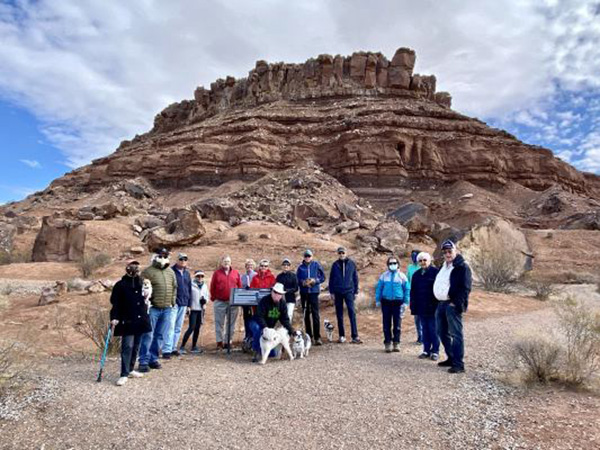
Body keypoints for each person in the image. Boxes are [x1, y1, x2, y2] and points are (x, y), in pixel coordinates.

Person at [110, 260, 152, 386]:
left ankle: (131, 369)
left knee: (136, 345)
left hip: (141, 318)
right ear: (127, 269)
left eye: (137, 267)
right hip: (126, 319)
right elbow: (115, 302)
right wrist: (114, 317)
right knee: (127, 346)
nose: (134, 269)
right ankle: (124, 373)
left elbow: (148, 297)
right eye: (132, 267)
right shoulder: (120, 285)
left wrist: (148, 295)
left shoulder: (143, 282)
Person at [433, 240, 472, 374]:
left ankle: (458, 364)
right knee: (441, 332)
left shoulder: (462, 267)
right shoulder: (444, 266)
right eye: (445, 252)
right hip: (441, 304)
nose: (447, 254)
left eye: (450, 251)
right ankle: (451, 357)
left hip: (452, 304)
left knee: (456, 334)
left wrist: (456, 303)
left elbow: (465, 288)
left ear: (455, 251)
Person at [138, 248, 178, 372]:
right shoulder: (147, 272)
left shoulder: (170, 272)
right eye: (161, 255)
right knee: (148, 335)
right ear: (156, 256)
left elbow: (174, 287)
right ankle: (143, 361)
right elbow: (141, 289)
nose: (163, 257)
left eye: (165, 255)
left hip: (166, 308)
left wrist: (172, 302)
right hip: (153, 308)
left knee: (159, 335)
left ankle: (153, 359)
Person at [247, 282, 294, 362]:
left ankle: (256, 345)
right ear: (272, 292)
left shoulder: (282, 304)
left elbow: (285, 319)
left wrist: (291, 331)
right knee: (258, 329)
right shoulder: (264, 300)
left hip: (269, 327)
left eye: (280, 294)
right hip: (256, 322)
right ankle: (257, 351)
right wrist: (265, 327)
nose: (277, 295)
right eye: (275, 292)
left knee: (272, 354)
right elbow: (259, 316)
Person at [375, 256, 410, 353]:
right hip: (386, 302)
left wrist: (406, 302)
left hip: (398, 302)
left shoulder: (402, 276)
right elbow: (379, 288)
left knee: (397, 324)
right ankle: (387, 343)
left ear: (398, 264)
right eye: (390, 263)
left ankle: (396, 343)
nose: (392, 265)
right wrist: (377, 299)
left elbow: (407, 289)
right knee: (386, 324)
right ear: (387, 265)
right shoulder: (383, 276)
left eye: (394, 263)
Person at [409, 252, 440, 360]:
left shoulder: (436, 272)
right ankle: (426, 350)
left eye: (425, 260)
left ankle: (435, 351)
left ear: (429, 260)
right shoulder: (416, 275)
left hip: (433, 307)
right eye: (420, 260)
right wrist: (413, 307)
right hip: (421, 307)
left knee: (433, 329)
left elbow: (439, 290)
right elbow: (413, 292)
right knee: (424, 329)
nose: (423, 262)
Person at [328, 246, 362, 344]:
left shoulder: (351, 264)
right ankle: (341, 336)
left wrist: (356, 291)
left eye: (343, 253)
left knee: (352, 313)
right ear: (338, 254)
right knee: (339, 314)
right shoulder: (335, 265)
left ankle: (355, 336)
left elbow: (355, 278)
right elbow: (331, 279)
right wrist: (331, 292)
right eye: (340, 253)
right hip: (338, 292)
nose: (341, 255)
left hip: (349, 291)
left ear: (346, 253)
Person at [210, 255, 242, 350]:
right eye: (225, 261)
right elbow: (212, 286)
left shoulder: (236, 273)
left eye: (228, 261)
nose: (226, 263)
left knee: (231, 323)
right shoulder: (217, 273)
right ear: (221, 262)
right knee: (219, 323)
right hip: (220, 301)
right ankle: (219, 342)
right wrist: (214, 298)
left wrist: (238, 299)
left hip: (232, 302)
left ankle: (228, 341)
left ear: (231, 262)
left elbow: (239, 286)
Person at [163, 253, 192, 359]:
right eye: (181, 259)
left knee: (178, 328)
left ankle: (174, 348)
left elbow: (189, 289)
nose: (183, 261)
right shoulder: (171, 271)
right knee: (170, 326)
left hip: (184, 303)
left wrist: (189, 304)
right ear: (177, 260)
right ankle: (167, 350)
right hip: (173, 303)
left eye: (185, 259)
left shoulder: (187, 273)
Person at [296, 249, 326, 345]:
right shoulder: (300, 267)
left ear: (312, 256)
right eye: (306, 256)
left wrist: (315, 281)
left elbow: (323, 277)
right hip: (304, 292)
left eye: (309, 256)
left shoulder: (316, 265)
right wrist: (303, 282)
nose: (307, 258)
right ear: (303, 257)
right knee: (306, 314)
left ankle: (317, 337)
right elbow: (297, 279)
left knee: (315, 314)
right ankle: (309, 336)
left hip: (314, 292)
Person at [180, 270, 209, 354]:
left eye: (201, 276)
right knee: (191, 327)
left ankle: (194, 346)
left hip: (201, 309)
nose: (200, 278)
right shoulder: (191, 285)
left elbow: (207, 295)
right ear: (195, 276)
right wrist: (188, 307)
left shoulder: (205, 286)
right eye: (198, 276)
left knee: (197, 328)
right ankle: (182, 346)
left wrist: (205, 301)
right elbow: (188, 296)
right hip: (193, 309)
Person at [406, 249, 423, 344]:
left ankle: (426, 336)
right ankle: (420, 336)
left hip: (423, 294)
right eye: (412, 256)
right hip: (414, 295)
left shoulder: (423, 266)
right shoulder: (410, 267)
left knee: (424, 316)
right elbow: (407, 280)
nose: (413, 257)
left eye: (415, 255)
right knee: (416, 317)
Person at [275, 258, 298, 324]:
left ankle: (287, 331)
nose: (286, 266)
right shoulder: (279, 276)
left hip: (290, 299)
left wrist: (287, 291)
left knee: (289, 315)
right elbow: (276, 287)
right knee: (280, 316)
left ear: (289, 266)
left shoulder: (293, 276)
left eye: (287, 265)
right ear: (282, 266)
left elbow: (296, 288)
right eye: (284, 265)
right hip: (280, 300)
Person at [241, 259, 257, 344]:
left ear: (253, 266)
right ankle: (247, 335)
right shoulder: (243, 276)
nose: (249, 267)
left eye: (251, 265)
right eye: (247, 265)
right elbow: (240, 286)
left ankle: (253, 335)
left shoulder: (256, 275)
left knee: (253, 318)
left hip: (254, 301)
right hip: (245, 301)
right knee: (246, 318)